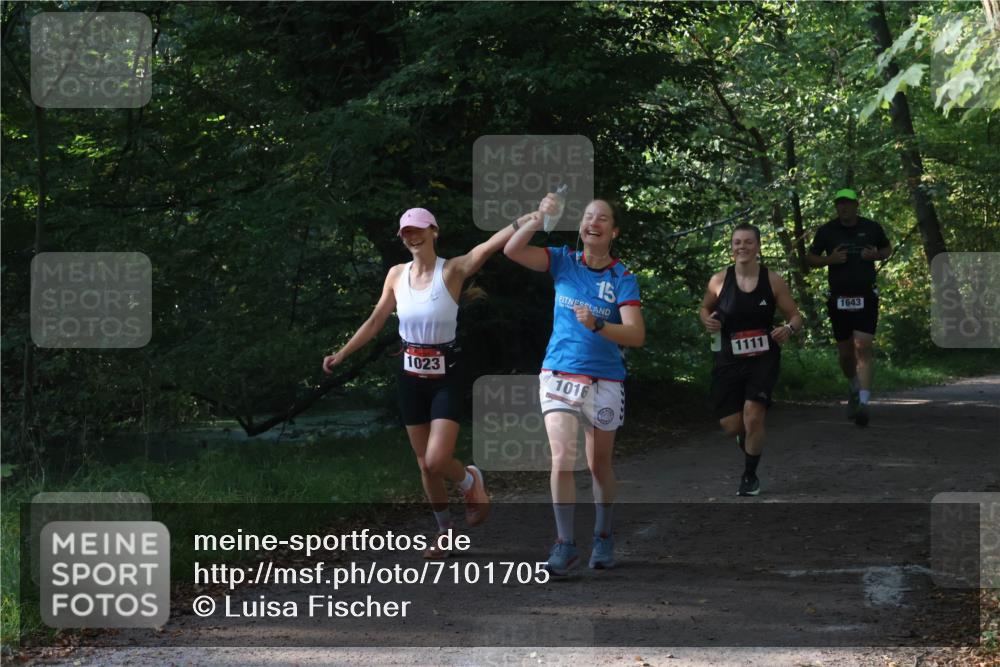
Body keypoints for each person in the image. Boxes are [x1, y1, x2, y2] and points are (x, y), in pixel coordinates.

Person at [323, 207, 515, 558]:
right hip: (410, 376)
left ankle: (470, 480)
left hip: (447, 375)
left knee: (437, 459)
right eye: (406, 232)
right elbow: (377, 318)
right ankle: (445, 533)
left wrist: (526, 219)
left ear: (434, 231)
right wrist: (342, 354)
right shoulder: (396, 274)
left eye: (418, 229)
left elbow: (487, 248)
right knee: (424, 464)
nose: (412, 236)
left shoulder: (452, 269)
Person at [504, 196, 645, 575]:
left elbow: (635, 334)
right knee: (562, 457)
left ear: (613, 231)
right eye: (587, 216)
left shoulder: (622, 278)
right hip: (559, 374)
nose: (592, 222)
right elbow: (512, 249)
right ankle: (565, 544)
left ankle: (603, 535)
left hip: (605, 380)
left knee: (599, 465)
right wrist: (538, 215)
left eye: (602, 218)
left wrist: (599, 325)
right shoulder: (562, 260)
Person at [699, 223, 803, 497]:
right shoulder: (719, 280)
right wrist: (707, 321)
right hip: (728, 357)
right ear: (731, 248)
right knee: (732, 425)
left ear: (757, 247)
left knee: (753, 416)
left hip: (763, 356)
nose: (742, 247)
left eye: (747, 242)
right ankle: (748, 441)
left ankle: (749, 476)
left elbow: (795, 315)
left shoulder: (773, 280)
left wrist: (789, 329)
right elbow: (704, 308)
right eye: (737, 242)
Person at [806, 188, 891, 427]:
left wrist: (877, 255)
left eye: (848, 203)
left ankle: (864, 403)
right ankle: (854, 386)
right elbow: (810, 259)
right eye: (839, 204)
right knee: (845, 355)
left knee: (862, 347)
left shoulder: (871, 227)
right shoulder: (827, 231)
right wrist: (828, 261)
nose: (843, 207)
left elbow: (887, 249)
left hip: (866, 296)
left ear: (856, 205)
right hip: (838, 299)